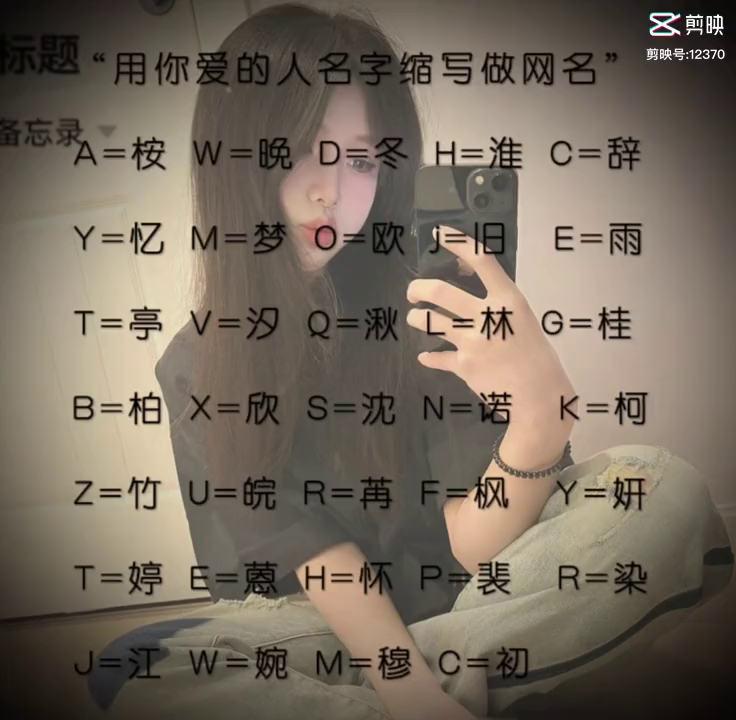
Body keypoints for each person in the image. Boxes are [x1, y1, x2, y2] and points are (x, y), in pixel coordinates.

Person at [87, 4, 733, 720]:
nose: (331, 190)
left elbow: (476, 546)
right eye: (298, 148)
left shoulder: (428, 302)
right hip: (324, 625)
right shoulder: (199, 363)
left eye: (361, 160)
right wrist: (411, 689)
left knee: (663, 492)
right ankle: (459, 685)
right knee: (139, 664)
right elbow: (312, 562)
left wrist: (538, 421)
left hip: (478, 596)